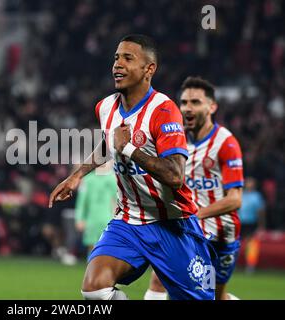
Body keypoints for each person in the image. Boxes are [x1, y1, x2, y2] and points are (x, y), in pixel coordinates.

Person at [49, 35, 216, 300]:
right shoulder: (105, 107)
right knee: (94, 288)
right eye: (116, 58)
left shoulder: (164, 111)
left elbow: (175, 176)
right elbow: (109, 144)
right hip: (129, 221)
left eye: (128, 58)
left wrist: (128, 149)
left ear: (149, 69)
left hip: (172, 225)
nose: (118, 64)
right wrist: (77, 175)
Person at [145, 76, 244, 300]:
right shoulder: (177, 140)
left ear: (212, 106)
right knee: (159, 278)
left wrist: (196, 214)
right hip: (194, 231)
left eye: (195, 102)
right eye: (184, 102)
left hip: (221, 234)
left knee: (214, 296)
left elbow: (235, 199)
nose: (188, 108)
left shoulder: (225, 143)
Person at [75, 164, 117, 253]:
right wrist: (79, 219)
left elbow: (117, 200)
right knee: (92, 248)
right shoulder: (87, 180)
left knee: (107, 248)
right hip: (91, 220)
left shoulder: (113, 178)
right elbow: (81, 202)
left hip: (108, 219)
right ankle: (92, 266)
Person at [239, 177, 266, 273]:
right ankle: (233, 264)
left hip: (251, 223)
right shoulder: (241, 194)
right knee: (237, 244)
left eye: (251, 183)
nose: (249, 184)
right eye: (248, 182)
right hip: (240, 222)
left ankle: (250, 266)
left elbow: (261, 212)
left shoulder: (257, 196)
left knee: (251, 245)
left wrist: (261, 225)